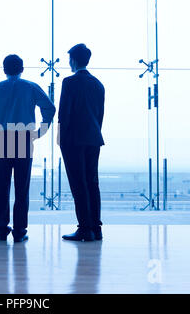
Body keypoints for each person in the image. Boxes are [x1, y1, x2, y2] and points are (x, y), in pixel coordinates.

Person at [0, 54, 55, 242]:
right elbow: (49, 108)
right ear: (22, 69)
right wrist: (40, 131)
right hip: (24, 139)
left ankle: (1, 229)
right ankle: (19, 231)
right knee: (22, 186)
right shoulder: (31, 87)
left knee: (1, 186)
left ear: (4, 70)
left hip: (2, 138)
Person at [57, 44, 105, 241]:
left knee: (79, 184)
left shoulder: (69, 82)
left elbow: (64, 114)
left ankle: (85, 228)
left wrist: (61, 140)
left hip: (73, 140)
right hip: (94, 138)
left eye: (69, 59)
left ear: (74, 60)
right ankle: (96, 227)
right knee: (92, 182)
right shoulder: (98, 84)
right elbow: (100, 115)